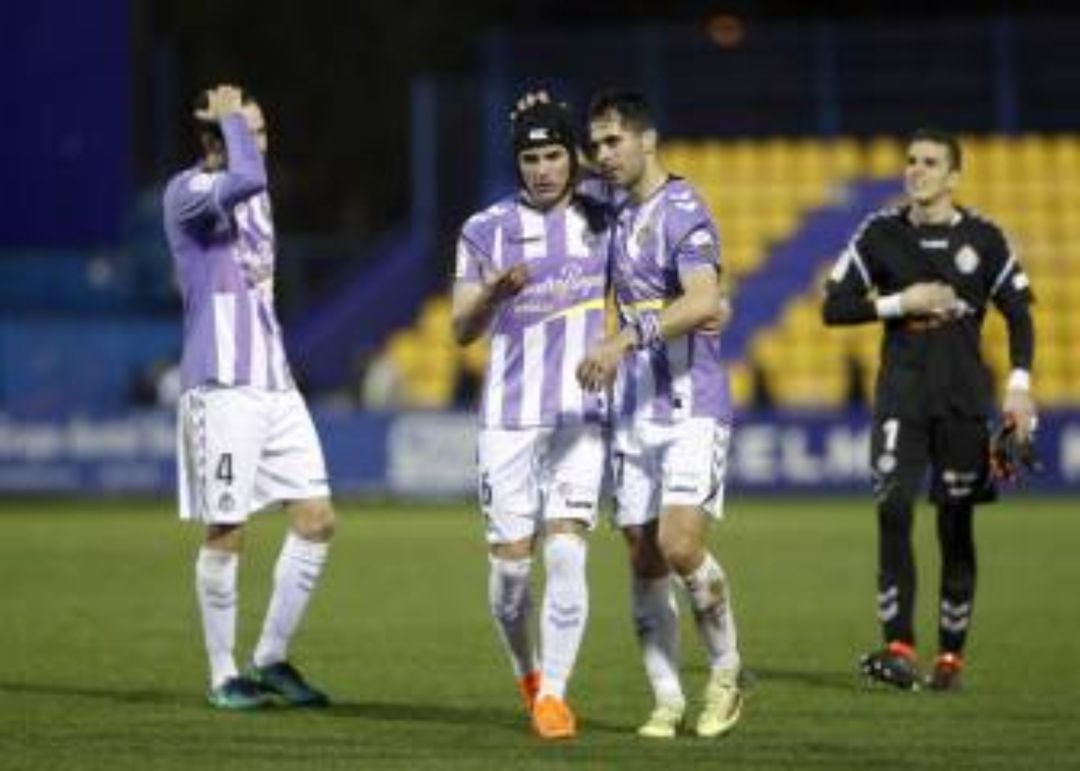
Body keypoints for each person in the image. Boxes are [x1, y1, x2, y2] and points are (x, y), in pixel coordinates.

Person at [822, 128, 1037, 691]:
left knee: (955, 524)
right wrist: (900, 302)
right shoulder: (880, 233)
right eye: (911, 161)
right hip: (901, 399)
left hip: (965, 402)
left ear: (954, 176)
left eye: (930, 162)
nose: (916, 170)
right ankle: (898, 647)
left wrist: (1019, 385)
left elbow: (1020, 312)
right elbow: (834, 308)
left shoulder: (985, 238)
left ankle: (950, 658)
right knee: (893, 508)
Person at [162, 84, 336, 710]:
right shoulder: (187, 194)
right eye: (248, 133)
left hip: (274, 382)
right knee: (228, 526)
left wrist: (237, 129)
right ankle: (221, 674)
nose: (259, 145)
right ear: (216, 140)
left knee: (317, 520)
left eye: (261, 133)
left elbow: (249, 182)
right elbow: (241, 179)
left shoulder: (256, 200)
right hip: (223, 385)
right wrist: (233, 123)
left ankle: (270, 658)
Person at [576, 90, 743, 739]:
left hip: (691, 405)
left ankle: (727, 672)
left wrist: (624, 338)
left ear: (647, 139)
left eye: (613, 141)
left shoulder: (683, 207)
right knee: (642, 558)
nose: (603, 154)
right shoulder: (616, 212)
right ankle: (668, 697)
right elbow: (548, 176)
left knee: (679, 545)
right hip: (633, 414)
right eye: (596, 144)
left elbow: (704, 299)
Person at [451, 100, 610, 740]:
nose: (543, 169)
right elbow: (461, 330)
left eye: (553, 155)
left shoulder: (605, 214)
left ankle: (555, 696)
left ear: (572, 155)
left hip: (581, 416)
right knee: (512, 574)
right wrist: (495, 292)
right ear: (515, 163)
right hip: (509, 421)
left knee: (567, 552)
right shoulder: (484, 228)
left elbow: (636, 159)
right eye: (530, 158)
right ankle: (528, 674)